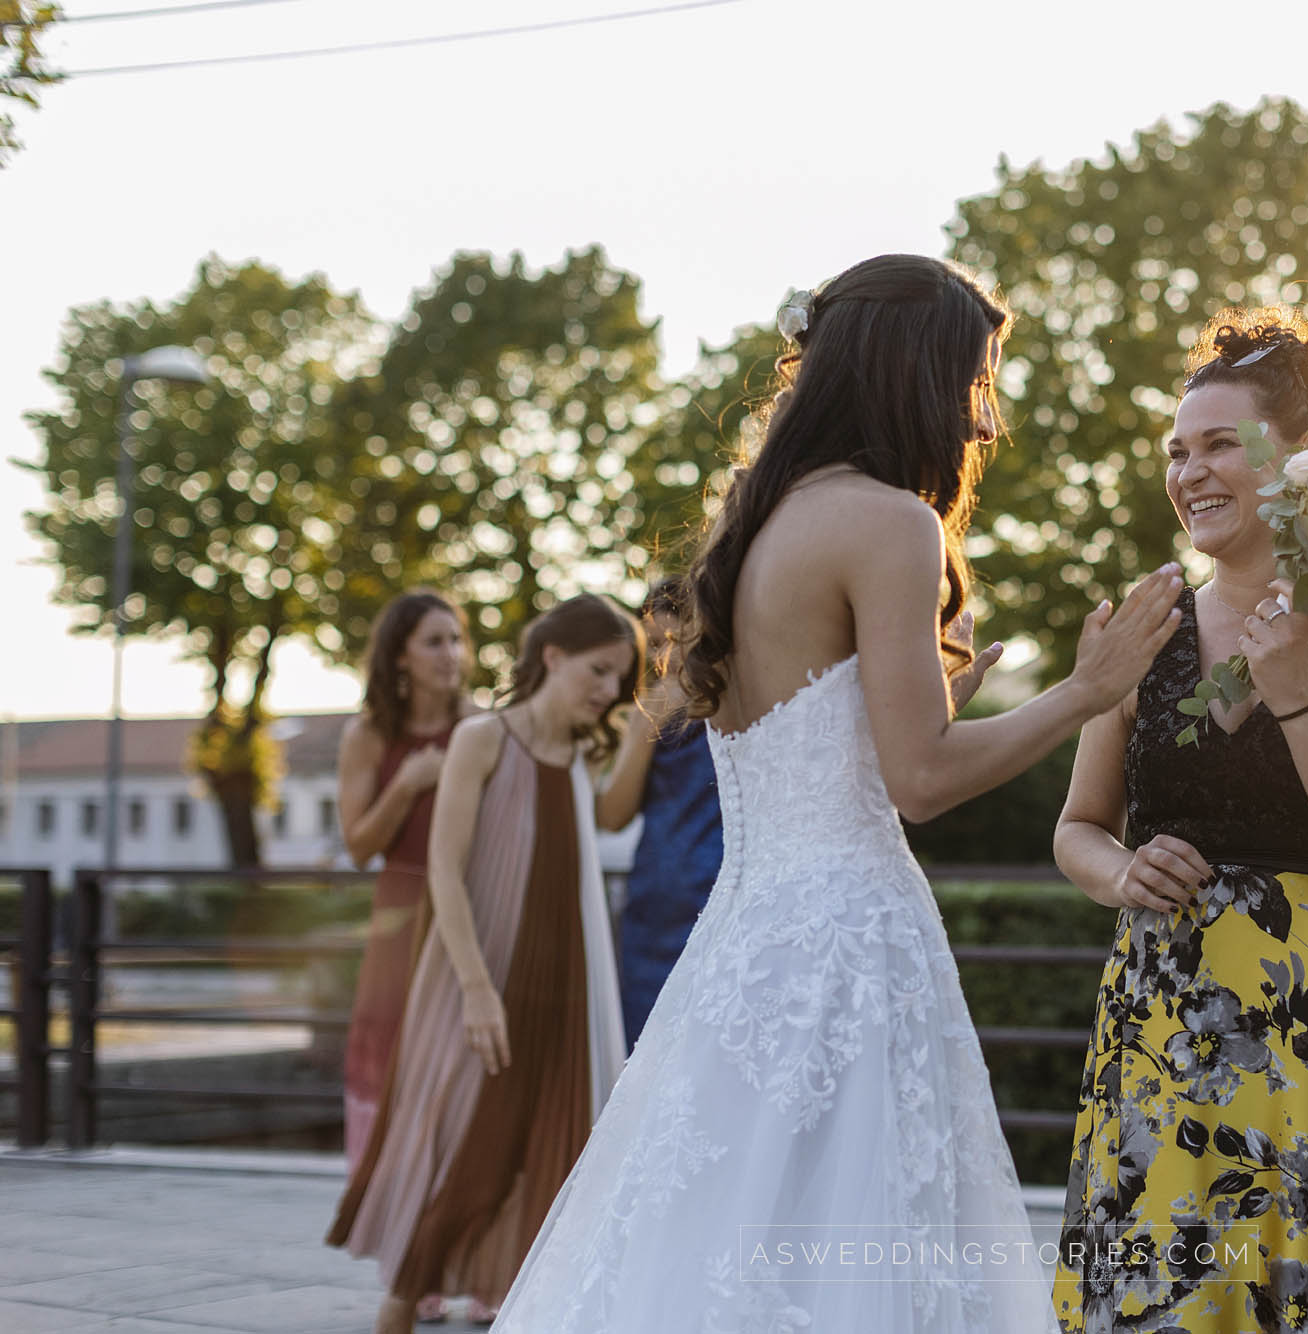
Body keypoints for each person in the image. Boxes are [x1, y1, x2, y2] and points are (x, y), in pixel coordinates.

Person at [490, 254, 1182, 1333]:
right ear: (911, 371)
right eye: (975, 378)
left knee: (713, 1237)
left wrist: (923, 697)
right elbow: (922, 780)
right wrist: (1088, 690)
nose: (984, 419)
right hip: (849, 948)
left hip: (740, 949)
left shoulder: (749, 529)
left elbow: (815, 735)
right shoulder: (889, 523)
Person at [1049, 310, 1308, 1332]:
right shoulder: (1140, 627)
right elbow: (1078, 825)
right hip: (1166, 1033)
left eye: (1218, 444)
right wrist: (1117, 874)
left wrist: (1296, 697)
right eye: (1175, 451)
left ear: (1301, 460)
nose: (1188, 471)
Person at [329, 594, 636, 1334]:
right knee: (463, 1157)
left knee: (552, 1163)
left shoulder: (578, 757)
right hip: (480, 981)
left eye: (618, 682)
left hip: (560, 989)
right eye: (599, 671)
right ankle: (401, 1309)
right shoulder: (482, 738)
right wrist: (475, 991)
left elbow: (596, 844)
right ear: (553, 657)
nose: (606, 692)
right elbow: (445, 871)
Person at [333, 591, 476, 1324]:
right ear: (398, 655)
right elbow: (359, 844)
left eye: (457, 639)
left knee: (469, 1089)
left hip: (471, 920)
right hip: (399, 923)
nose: (451, 653)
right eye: (433, 641)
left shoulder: (483, 729)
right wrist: (410, 785)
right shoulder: (367, 737)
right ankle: (410, 1267)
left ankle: (483, 1265)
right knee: (398, 1091)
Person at [595, 575, 723, 1050]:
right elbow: (612, 816)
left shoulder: (742, 704)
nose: (661, 658)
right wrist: (645, 729)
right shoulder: (649, 710)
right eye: (652, 645)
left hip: (722, 897)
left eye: (672, 641)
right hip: (656, 905)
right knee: (647, 1051)